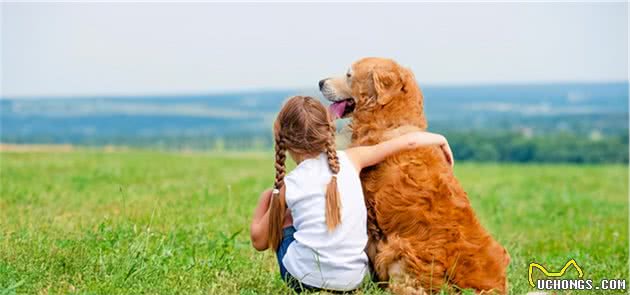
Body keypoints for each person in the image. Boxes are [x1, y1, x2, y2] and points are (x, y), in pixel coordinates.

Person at [249, 95, 453, 292]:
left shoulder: (290, 185)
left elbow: (259, 241)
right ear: (329, 131)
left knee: (286, 216)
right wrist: (440, 139)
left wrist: (268, 197)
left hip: (303, 281)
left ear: (283, 139)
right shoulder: (353, 159)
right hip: (353, 280)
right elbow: (407, 142)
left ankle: (312, 270)